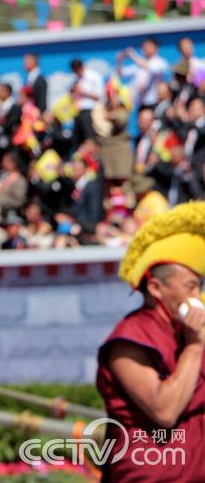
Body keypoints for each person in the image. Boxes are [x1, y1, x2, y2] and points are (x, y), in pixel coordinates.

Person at [97, 201, 205, 481]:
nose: (198, 297)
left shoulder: (184, 331)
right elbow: (164, 411)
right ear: (156, 288)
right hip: (153, 471)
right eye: (191, 286)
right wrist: (193, 349)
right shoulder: (130, 340)